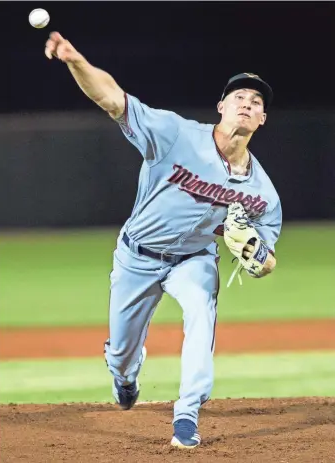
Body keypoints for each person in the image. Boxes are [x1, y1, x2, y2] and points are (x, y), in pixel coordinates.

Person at [45, 32, 282, 449]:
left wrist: (255, 254)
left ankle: (187, 414)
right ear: (221, 107)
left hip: (194, 259)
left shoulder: (262, 192)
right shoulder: (175, 134)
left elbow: (266, 260)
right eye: (239, 96)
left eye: (257, 102)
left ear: (262, 119)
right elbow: (114, 100)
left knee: (201, 314)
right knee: (121, 353)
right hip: (136, 256)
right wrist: (75, 60)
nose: (248, 103)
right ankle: (125, 374)